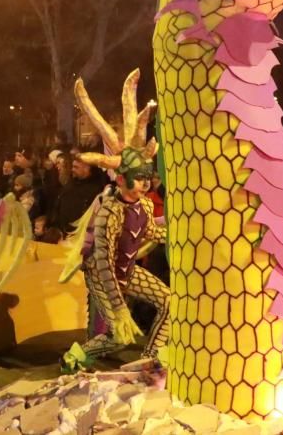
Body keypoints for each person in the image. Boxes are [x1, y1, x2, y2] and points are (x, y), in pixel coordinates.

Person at [59, 71, 168, 371]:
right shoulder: (110, 211)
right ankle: (74, 357)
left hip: (128, 270)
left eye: (147, 177)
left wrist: (178, 232)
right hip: (104, 275)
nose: (145, 184)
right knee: (117, 337)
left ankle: (151, 358)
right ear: (121, 178)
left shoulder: (143, 205)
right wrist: (119, 307)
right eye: (138, 178)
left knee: (169, 301)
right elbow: (103, 261)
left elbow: (148, 233)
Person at [52, 157, 110, 235]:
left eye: (76, 167)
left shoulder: (96, 189)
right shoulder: (72, 182)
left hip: (79, 236)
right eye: (73, 166)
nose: (72, 169)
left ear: (87, 168)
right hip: (62, 232)